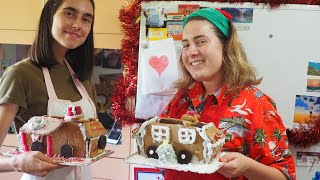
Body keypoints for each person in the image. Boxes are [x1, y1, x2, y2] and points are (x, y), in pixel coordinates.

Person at [160, 8, 296, 180]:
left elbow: (285, 176)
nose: (191, 52)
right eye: (186, 44)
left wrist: (248, 167)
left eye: (201, 42)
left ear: (226, 47)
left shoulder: (256, 104)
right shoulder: (181, 99)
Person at [0, 0, 96, 179]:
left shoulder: (82, 77)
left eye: (86, 19)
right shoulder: (20, 74)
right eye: (69, 13)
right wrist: (17, 162)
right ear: (49, 16)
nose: (77, 25)